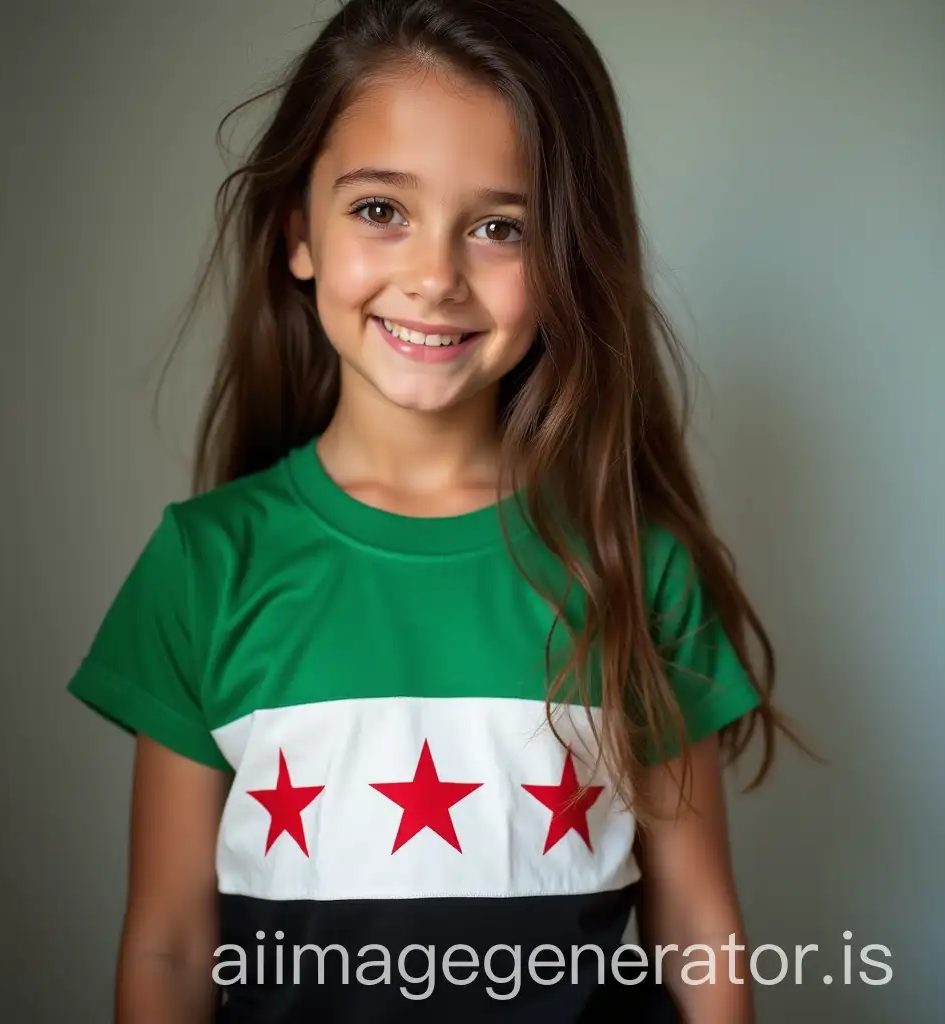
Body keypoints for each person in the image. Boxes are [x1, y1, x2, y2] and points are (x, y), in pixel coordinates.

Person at [68, 0, 807, 1020]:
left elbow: (697, 923)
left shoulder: (638, 566)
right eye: (380, 209)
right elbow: (167, 943)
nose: (433, 276)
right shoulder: (205, 564)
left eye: (500, 227)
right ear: (299, 235)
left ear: (566, 265)